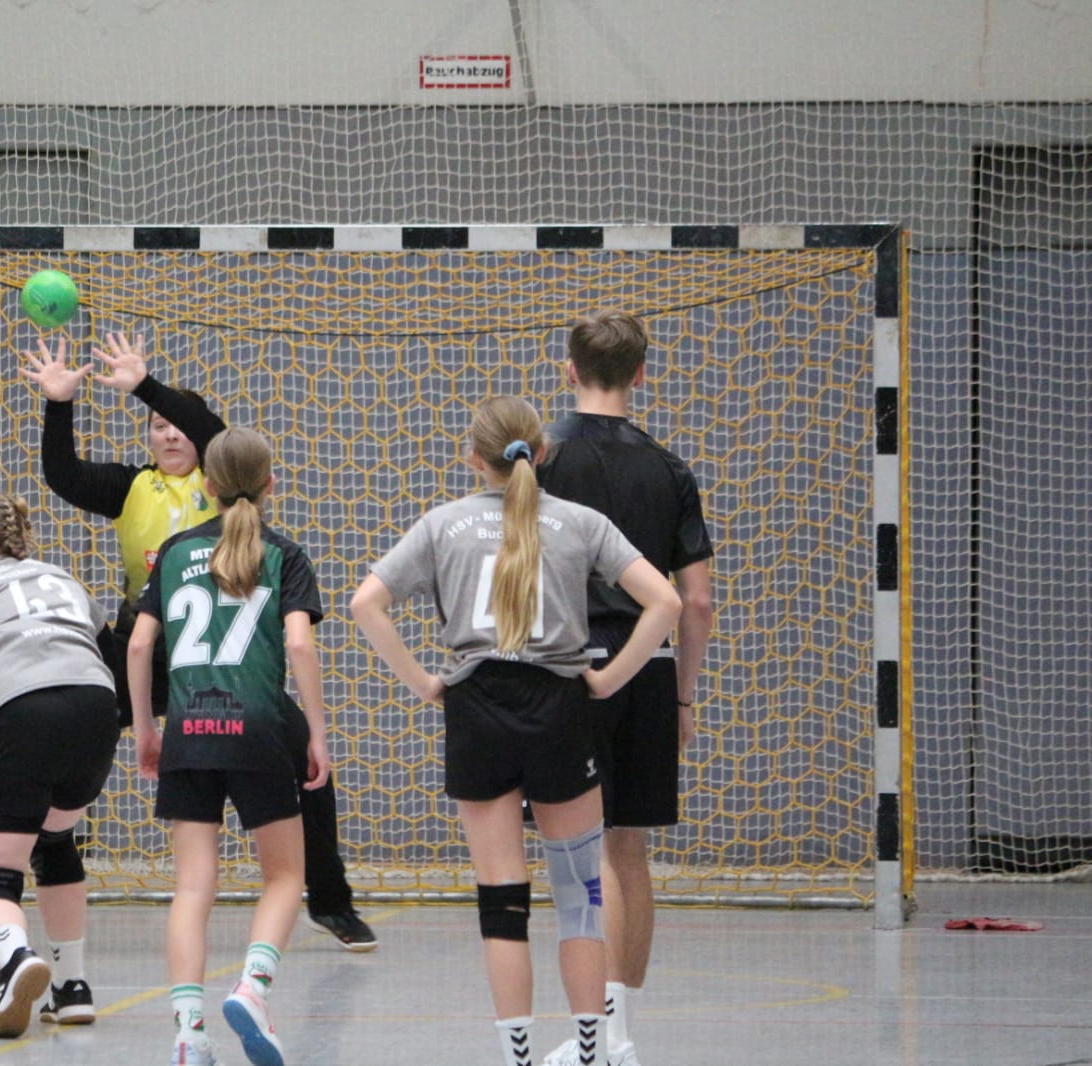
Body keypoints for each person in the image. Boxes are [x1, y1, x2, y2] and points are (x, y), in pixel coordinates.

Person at [349, 396, 682, 1066]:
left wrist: (424, 683)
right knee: (579, 895)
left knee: (501, 901)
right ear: (543, 452)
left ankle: (518, 1058)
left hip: (477, 708)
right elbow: (667, 601)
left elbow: (366, 602)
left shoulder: (443, 523)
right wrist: (608, 679)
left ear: (472, 458)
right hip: (559, 706)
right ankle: (589, 1052)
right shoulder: (581, 522)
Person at [21, 330, 375, 952]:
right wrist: (58, 404)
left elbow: (213, 432)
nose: (169, 434)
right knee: (58, 724)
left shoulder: (222, 481)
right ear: (146, 439)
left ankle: (330, 900)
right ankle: (33, 847)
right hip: (145, 643)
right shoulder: (131, 487)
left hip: (221, 658)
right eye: (157, 427)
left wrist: (145, 387)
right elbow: (63, 474)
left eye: (177, 424)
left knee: (305, 760)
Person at [536, 312, 714, 1066]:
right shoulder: (668, 468)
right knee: (628, 850)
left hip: (562, 669)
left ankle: (585, 1035)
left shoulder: (537, 457)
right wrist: (682, 696)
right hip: (647, 666)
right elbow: (696, 600)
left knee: (572, 853)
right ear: (641, 373)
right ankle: (618, 1035)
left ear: (568, 370)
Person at [128, 425, 332, 1066]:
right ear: (271, 484)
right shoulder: (284, 553)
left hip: (189, 732)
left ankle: (189, 1033)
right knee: (285, 876)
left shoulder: (174, 550)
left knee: (193, 887)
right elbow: (299, 644)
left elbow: (139, 644)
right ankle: (253, 987)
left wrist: (146, 728)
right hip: (260, 731)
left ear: (208, 485)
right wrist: (317, 732)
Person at [0, 492, 121, 1039]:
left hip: (20, 716)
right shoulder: (64, 581)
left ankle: (15, 958)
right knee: (53, 842)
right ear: (25, 536)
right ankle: (72, 987)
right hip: (95, 711)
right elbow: (113, 665)